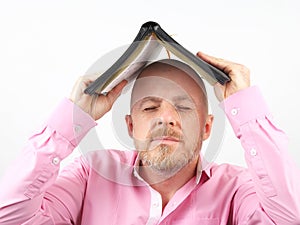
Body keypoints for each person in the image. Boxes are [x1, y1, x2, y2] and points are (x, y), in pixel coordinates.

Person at [0, 51, 299, 225]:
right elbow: (9, 213)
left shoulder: (236, 190)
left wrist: (246, 107)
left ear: (207, 128)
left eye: (183, 107)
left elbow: (289, 218)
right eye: (150, 106)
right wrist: (75, 116)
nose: (165, 118)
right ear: (130, 126)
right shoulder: (90, 174)